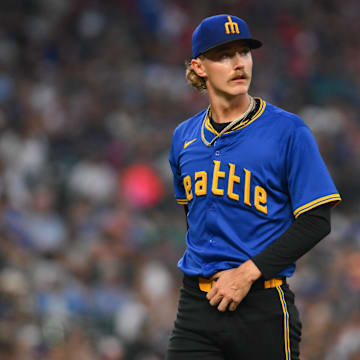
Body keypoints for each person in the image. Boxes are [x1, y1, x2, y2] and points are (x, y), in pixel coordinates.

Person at [166, 14, 341, 360]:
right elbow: (195, 217)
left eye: (244, 52)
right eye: (224, 55)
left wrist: (247, 273)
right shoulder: (183, 137)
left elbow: (317, 220)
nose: (238, 63)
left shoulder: (288, 131)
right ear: (199, 67)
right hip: (196, 305)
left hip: (261, 303)